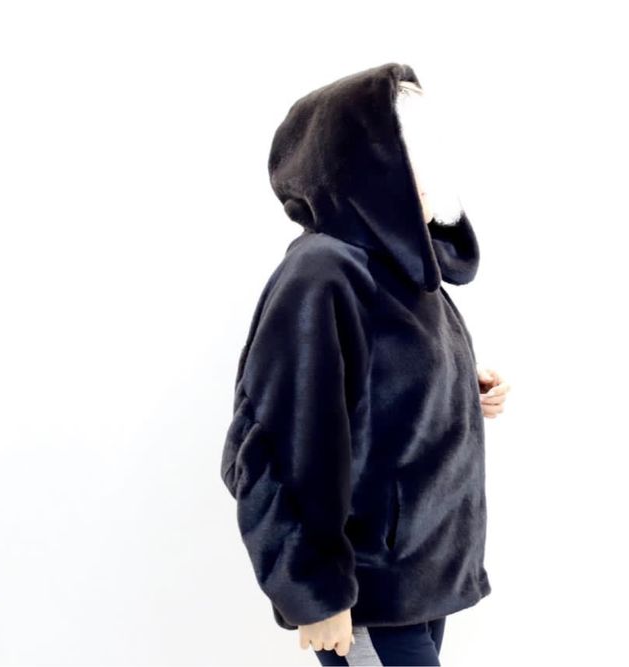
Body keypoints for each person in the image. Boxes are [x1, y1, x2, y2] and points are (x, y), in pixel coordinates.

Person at [219, 62, 511, 666]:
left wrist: (462, 386)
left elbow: (380, 391)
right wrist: (314, 591)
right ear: (363, 164)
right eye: (408, 155)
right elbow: (271, 443)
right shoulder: (323, 272)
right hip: (366, 590)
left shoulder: (401, 266)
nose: (429, 175)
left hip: (420, 577)